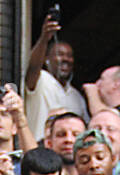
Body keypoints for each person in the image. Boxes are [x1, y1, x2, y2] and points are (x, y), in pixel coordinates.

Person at [23, 10, 88, 139]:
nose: (66, 59)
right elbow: (33, 67)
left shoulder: (76, 96)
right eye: (60, 54)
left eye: (70, 56)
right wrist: (44, 38)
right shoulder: (41, 79)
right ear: (46, 59)